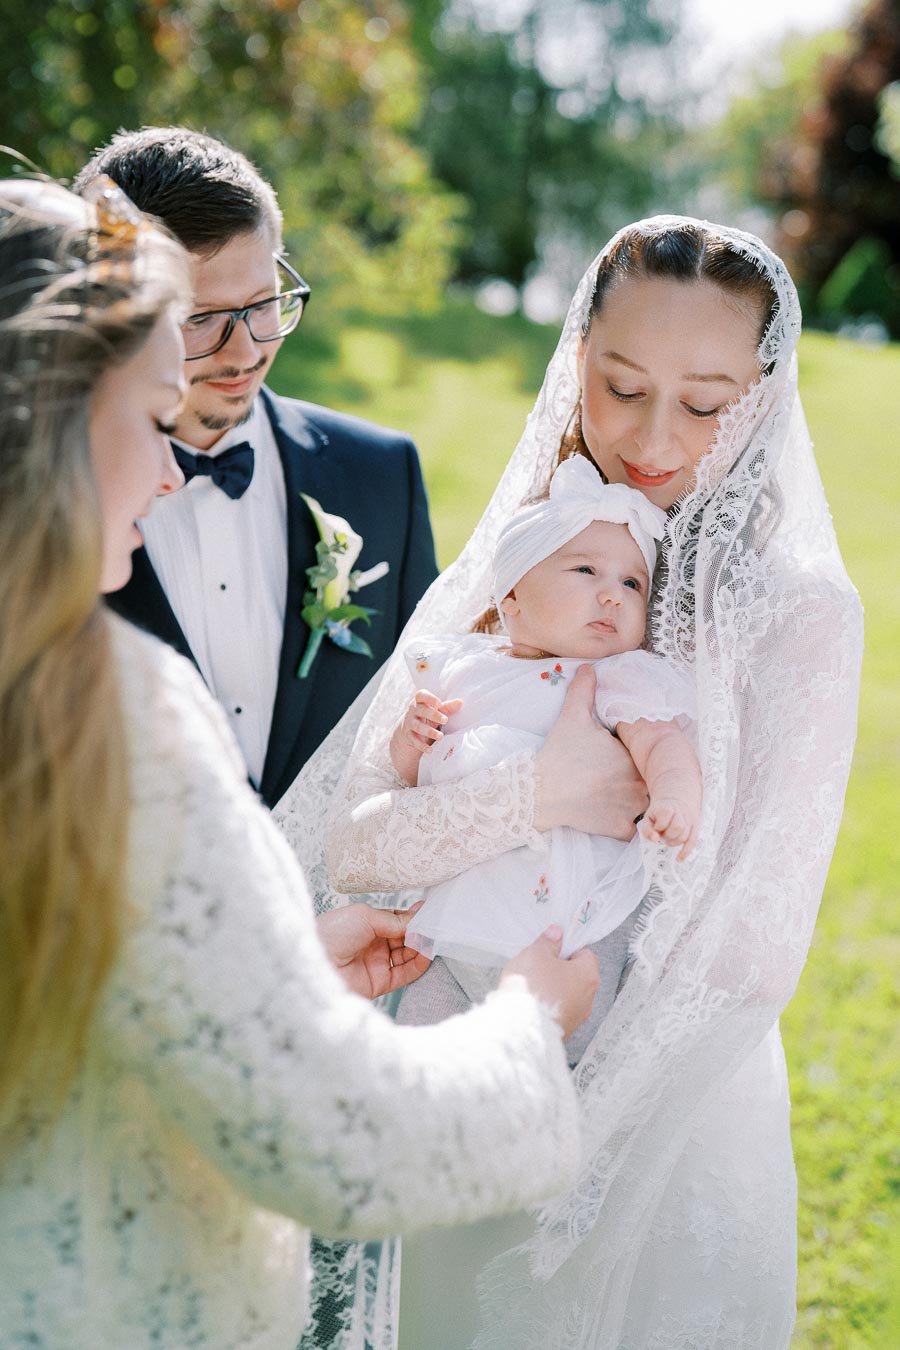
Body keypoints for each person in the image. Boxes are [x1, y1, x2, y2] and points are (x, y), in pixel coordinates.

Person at [0, 175, 604, 1349]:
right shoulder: (109, 718)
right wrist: (532, 1019)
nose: (171, 472)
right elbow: (347, 1147)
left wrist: (265, 960)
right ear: (55, 426)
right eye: (148, 415)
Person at [279, 216, 863, 1348]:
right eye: (619, 384)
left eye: (704, 404)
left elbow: (750, 953)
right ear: (576, 356)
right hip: (455, 1068)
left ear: (764, 393)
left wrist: (576, 1143)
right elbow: (357, 849)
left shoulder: (800, 616)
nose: (650, 437)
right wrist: (538, 795)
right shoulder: (521, 565)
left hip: (665, 1114)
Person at [72, 127, 439, 808]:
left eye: (265, 303)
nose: (244, 352)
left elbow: (436, 714)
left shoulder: (383, 476)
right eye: (202, 319)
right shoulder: (54, 507)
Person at [388, 458, 701, 1061]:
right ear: (512, 597)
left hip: (570, 925)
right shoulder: (464, 669)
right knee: (424, 1056)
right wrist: (411, 743)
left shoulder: (615, 677)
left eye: (632, 584)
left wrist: (673, 796)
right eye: (585, 570)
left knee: (560, 1062)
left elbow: (663, 744)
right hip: (458, 927)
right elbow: (419, 783)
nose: (612, 593)